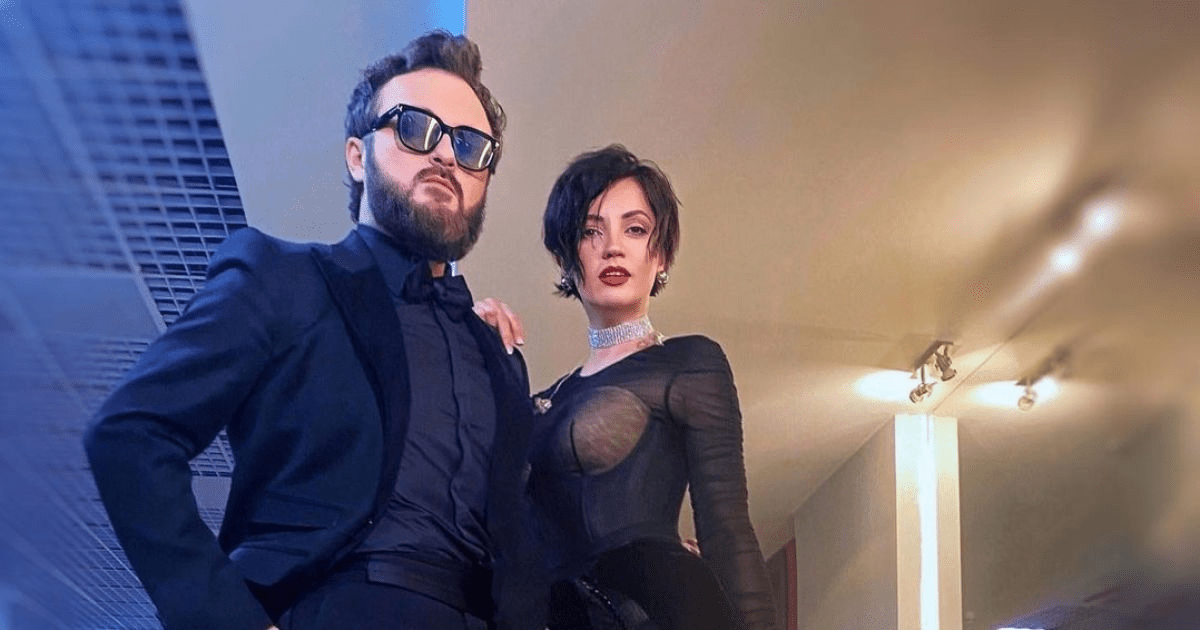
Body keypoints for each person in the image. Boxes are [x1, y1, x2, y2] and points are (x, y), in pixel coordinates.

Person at [83, 31, 542, 630]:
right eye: (414, 127)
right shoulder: (282, 278)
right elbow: (130, 434)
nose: (445, 156)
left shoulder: (495, 349)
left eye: (469, 143)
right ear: (357, 156)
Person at [526, 145, 778, 629]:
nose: (612, 247)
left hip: (667, 610)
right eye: (590, 231)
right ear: (566, 258)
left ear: (659, 255)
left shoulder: (688, 362)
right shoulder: (541, 401)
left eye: (635, 229)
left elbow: (727, 530)